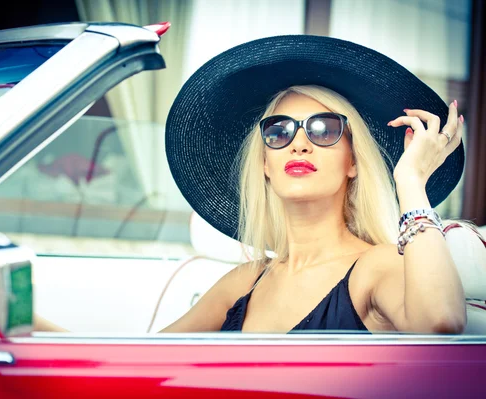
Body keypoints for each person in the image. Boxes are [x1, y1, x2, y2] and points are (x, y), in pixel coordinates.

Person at [161, 35, 473, 334]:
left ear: (353, 162)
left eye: (324, 130)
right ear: (265, 164)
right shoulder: (244, 282)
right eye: (279, 131)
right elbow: (140, 358)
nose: (298, 144)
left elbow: (440, 323)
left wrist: (411, 181)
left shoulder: (375, 266)